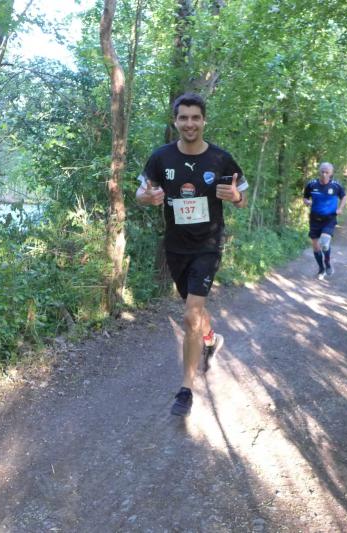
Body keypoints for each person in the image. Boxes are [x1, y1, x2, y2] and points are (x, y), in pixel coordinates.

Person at [136, 92, 249, 417]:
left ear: (204, 121)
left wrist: (235, 197)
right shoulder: (161, 158)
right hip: (175, 247)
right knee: (194, 313)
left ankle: (186, 389)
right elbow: (141, 191)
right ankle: (211, 339)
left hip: (208, 245)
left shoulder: (220, 159)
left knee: (190, 315)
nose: (189, 123)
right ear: (175, 122)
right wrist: (147, 198)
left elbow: (241, 196)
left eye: (195, 117)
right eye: (183, 117)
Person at [303, 162, 347, 280]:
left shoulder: (335, 186)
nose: (324, 174)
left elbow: (344, 196)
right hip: (314, 219)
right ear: (319, 171)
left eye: (327, 172)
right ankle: (321, 268)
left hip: (329, 219)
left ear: (331, 173)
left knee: (325, 244)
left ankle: (327, 263)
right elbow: (305, 197)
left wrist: (340, 208)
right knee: (316, 247)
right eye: (322, 172)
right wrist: (307, 202)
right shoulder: (312, 184)